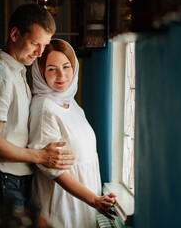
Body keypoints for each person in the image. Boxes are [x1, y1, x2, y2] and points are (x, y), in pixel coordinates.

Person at [0, 3, 75, 211]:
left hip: (7, 182)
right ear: (15, 34)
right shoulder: (0, 76)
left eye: (45, 45)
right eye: (35, 43)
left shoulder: (14, 73)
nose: (40, 53)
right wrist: (41, 156)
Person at [28, 39, 117, 227]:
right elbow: (54, 170)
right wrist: (93, 199)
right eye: (52, 69)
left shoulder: (70, 103)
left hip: (81, 201)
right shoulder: (44, 107)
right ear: (40, 72)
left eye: (66, 66)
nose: (61, 75)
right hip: (61, 204)